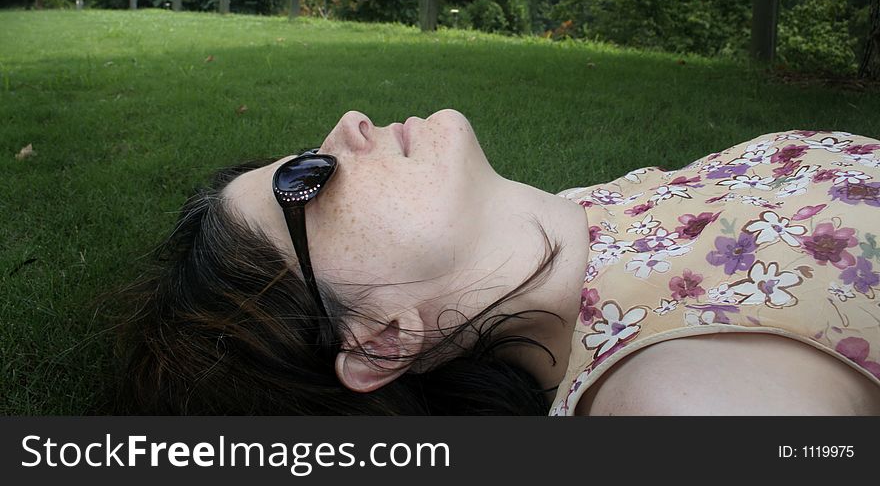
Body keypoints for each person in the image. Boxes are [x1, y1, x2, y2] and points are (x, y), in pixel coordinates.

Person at [120, 109, 880, 415]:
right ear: (382, 338)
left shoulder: (592, 210)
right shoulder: (679, 396)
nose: (347, 124)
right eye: (306, 182)